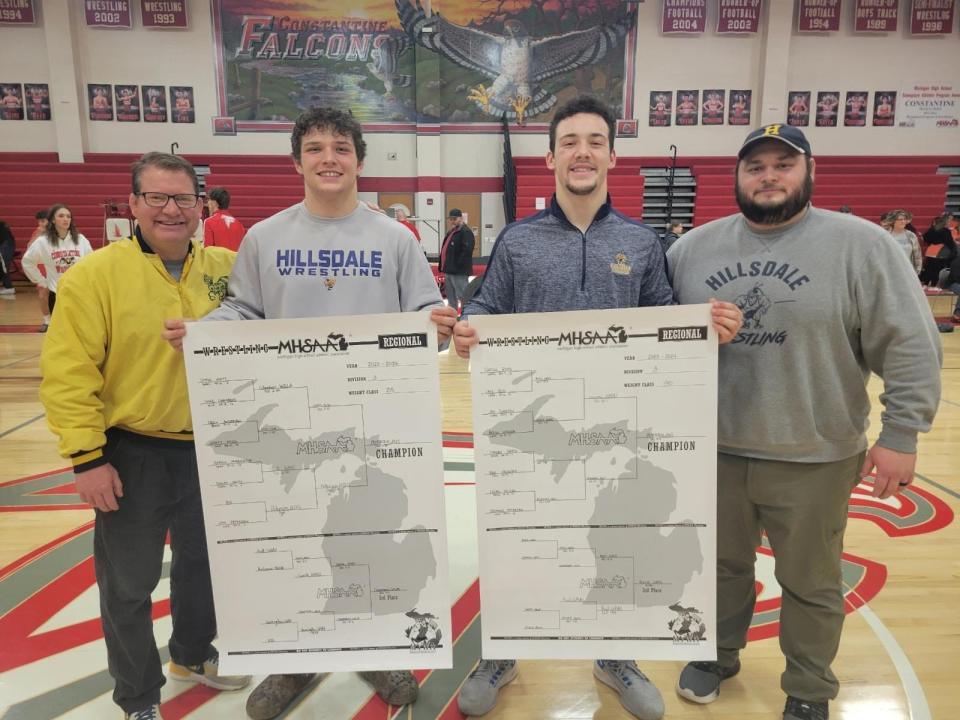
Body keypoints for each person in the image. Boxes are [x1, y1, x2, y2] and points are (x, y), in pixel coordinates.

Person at [451, 95, 743, 720]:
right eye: (570, 141)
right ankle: (501, 652)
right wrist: (469, 329)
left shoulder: (640, 241)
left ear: (612, 154)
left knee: (617, 536)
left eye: (594, 140)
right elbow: (483, 309)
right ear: (552, 156)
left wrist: (705, 324)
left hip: (618, 430)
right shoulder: (517, 240)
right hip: (537, 431)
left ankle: (616, 655)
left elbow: (665, 319)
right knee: (517, 539)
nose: (582, 152)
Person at [162, 107, 458, 720]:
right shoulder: (266, 238)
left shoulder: (396, 239)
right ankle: (296, 655)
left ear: (359, 160)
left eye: (342, 148)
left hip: (375, 422)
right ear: (296, 161)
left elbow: (426, 320)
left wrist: (438, 326)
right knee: (298, 536)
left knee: (370, 531)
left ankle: (377, 646)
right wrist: (202, 331)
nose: (330, 157)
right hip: (293, 426)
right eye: (316, 147)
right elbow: (244, 313)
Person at [667, 123, 942, 720]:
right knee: (719, 567)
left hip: (817, 452)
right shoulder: (691, 249)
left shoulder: (861, 245)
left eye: (782, 165)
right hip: (713, 448)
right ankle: (717, 654)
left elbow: (912, 344)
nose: (769, 176)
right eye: (755, 166)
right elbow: (650, 336)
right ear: (737, 177)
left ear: (809, 171)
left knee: (812, 581)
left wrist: (902, 434)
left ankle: (809, 687)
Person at [38, 152, 250, 720]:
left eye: (183, 198)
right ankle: (138, 696)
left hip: (214, 448)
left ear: (201, 205)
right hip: (131, 450)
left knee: (203, 566)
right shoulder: (94, 275)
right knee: (128, 583)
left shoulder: (232, 267)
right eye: (156, 197)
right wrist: (86, 458)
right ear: (132, 205)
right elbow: (67, 372)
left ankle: (192, 653)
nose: (171, 210)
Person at [21, 204, 95, 331]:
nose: (66, 219)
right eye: (61, 216)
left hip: (79, 294)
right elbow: (27, 261)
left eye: (68, 216)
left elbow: (91, 263)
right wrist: (41, 281)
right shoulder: (43, 242)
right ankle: (47, 321)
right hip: (57, 295)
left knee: (82, 332)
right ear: (53, 220)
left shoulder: (81, 240)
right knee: (60, 334)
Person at [439, 207, 475, 312]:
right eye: (451, 219)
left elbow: (467, 251)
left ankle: (468, 315)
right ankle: (453, 318)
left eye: (455, 219)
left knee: (463, 296)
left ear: (461, 218)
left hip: (458, 272)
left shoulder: (465, 232)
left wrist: (457, 266)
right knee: (451, 298)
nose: (452, 221)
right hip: (449, 270)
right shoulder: (452, 232)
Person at [203, 186, 246, 251]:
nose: (207, 203)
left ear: (214, 203)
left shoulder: (209, 222)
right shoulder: (239, 225)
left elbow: (208, 250)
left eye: (209, 200)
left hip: (218, 260)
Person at [920, 212, 956, 286]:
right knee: (937, 270)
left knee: (929, 268)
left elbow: (925, 237)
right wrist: (953, 252)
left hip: (931, 251)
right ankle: (934, 285)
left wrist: (932, 242)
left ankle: (925, 284)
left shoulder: (933, 229)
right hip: (941, 253)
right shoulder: (946, 231)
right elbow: (950, 243)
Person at [886, 210, 922, 275]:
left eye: (904, 219)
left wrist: (917, 271)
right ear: (893, 221)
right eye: (900, 219)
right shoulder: (886, 235)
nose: (903, 221)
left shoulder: (911, 235)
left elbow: (917, 255)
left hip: (908, 271)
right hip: (890, 271)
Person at [0, 219, 15, 296]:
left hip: (6, 247)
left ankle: (8, 287)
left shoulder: (2, 225)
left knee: (3, 265)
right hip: (6, 245)